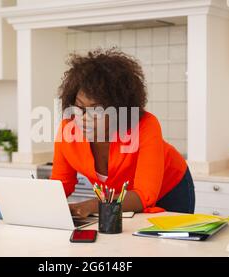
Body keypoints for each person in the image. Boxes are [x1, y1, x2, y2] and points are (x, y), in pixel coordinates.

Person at [51, 49, 195, 219]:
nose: (84, 118)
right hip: (115, 200)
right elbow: (62, 183)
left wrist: (91, 205)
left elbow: (144, 195)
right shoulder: (68, 129)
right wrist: (40, 202)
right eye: (80, 108)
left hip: (170, 190)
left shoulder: (145, 125)